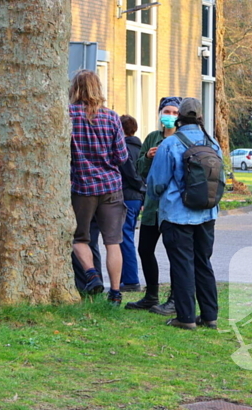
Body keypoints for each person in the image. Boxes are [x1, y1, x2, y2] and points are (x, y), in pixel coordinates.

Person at [146, 97, 220, 330]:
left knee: (182, 265)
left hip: (177, 214)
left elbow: (156, 183)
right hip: (207, 214)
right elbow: (221, 180)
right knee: (203, 263)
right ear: (200, 117)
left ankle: (186, 318)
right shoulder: (213, 143)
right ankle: (210, 316)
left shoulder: (170, 144)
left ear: (179, 116)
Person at [68, 70, 129, 305]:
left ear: (75, 88)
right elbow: (121, 156)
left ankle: (91, 274)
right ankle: (115, 292)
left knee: (78, 237)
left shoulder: (68, 115)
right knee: (113, 242)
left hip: (82, 187)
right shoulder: (112, 117)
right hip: (112, 187)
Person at [126, 96, 181, 315]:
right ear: (159, 114)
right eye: (166, 112)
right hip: (151, 206)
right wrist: (149, 157)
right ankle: (151, 295)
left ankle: (175, 299)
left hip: (173, 207)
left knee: (175, 252)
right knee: (145, 249)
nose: (170, 116)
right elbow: (139, 170)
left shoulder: (181, 139)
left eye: (175, 113)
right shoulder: (152, 138)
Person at [117, 115, 146, 292]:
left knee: (124, 237)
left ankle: (130, 279)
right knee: (127, 236)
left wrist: (139, 187)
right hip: (137, 199)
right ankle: (125, 276)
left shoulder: (124, 149)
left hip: (127, 195)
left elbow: (130, 174)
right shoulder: (141, 149)